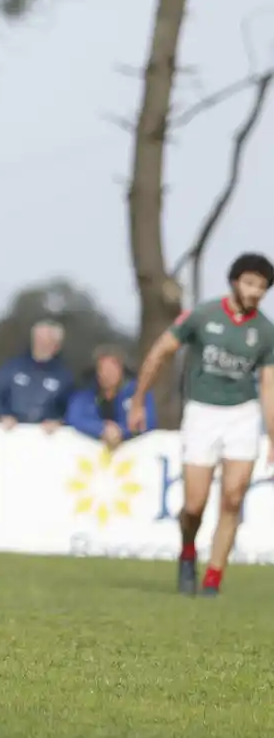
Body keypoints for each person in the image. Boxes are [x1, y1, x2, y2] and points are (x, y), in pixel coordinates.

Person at [132, 253, 274, 598]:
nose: (255, 292)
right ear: (234, 282)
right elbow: (161, 352)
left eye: (262, 287)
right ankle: (188, 551)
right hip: (202, 413)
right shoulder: (203, 316)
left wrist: (273, 435)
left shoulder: (265, 331)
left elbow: (269, 386)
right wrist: (138, 399)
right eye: (250, 283)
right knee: (194, 504)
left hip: (242, 414)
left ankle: (213, 577)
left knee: (233, 497)